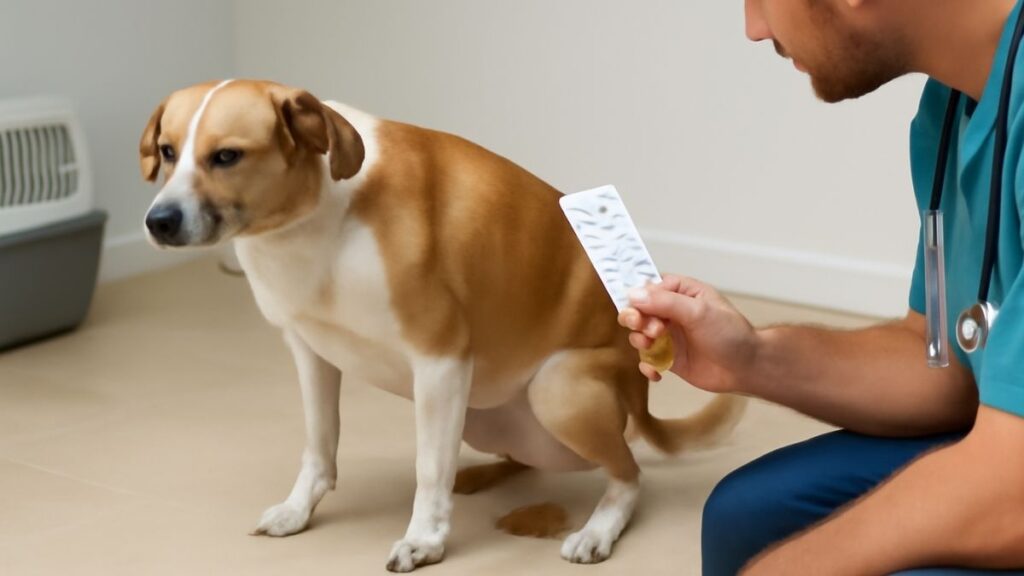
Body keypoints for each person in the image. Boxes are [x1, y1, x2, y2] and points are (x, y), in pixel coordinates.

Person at [618, 1, 1024, 574]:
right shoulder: (954, 104)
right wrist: (752, 356)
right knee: (747, 518)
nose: (753, 29)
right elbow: (945, 362)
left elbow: (1014, 492)